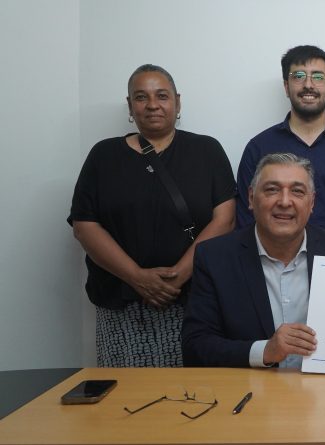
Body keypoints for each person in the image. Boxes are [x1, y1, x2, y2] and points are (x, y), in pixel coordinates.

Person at [68, 64, 237, 367]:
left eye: (162, 95)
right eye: (141, 97)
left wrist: (176, 278)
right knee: (126, 391)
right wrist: (137, 277)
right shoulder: (103, 156)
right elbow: (85, 225)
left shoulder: (207, 151)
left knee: (194, 390)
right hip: (122, 306)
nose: (152, 105)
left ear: (177, 102)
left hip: (193, 301)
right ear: (130, 105)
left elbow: (225, 219)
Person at [182, 153, 325, 367]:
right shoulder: (214, 257)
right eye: (272, 190)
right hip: (253, 390)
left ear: (312, 203)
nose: (284, 201)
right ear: (251, 198)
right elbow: (195, 346)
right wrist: (264, 351)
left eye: (297, 192)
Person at [235, 45, 325, 258]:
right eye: (298, 76)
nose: (308, 85)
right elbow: (246, 217)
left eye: (318, 77)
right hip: (272, 266)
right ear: (286, 86)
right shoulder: (259, 147)